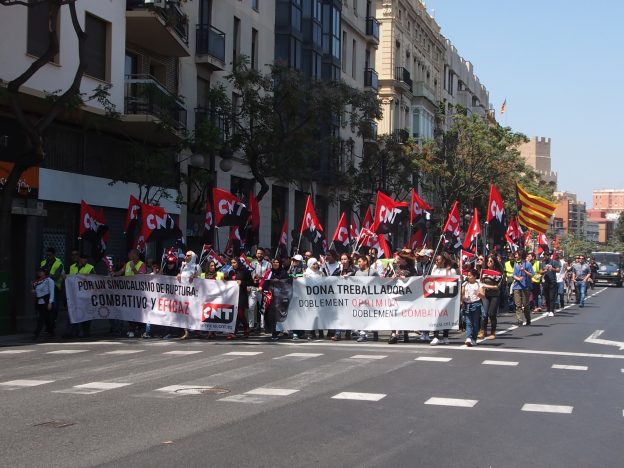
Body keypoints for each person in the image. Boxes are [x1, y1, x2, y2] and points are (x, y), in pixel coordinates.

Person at [113, 249, 147, 337]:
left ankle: (140, 329)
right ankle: (132, 328)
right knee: (129, 312)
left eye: (130, 253)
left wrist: (133, 268)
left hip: (139, 293)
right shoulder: (127, 263)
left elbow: (141, 276)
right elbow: (121, 272)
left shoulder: (141, 264)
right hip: (128, 293)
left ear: (136, 255)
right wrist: (114, 274)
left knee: (138, 312)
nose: (129, 255)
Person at [388, 250, 416, 344]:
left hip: (406, 295)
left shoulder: (411, 268)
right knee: (394, 313)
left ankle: (405, 334)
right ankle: (393, 334)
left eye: (399, 259)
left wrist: (406, 279)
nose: (397, 260)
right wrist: (392, 276)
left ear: (404, 260)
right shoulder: (395, 266)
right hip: (396, 294)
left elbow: (415, 279)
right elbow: (387, 278)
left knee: (404, 314)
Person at [66, 252, 95, 337]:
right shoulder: (72, 267)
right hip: (74, 294)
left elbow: (93, 279)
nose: (85, 260)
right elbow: (68, 277)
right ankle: (74, 331)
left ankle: (86, 331)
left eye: (86, 259)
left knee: (86, 313)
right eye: (83, 258)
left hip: (85, 295)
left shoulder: (90, 267)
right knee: (74, 312)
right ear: (80, 259)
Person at [430, 254, 457, 345]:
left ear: (444, 261)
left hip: (447, 298)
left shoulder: (451, 271)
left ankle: (445, 336)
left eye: (438, 260)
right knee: (436, 316)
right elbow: (431, 280)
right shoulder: (434, 269)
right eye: (436, 260)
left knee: (446, 316)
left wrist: (447, 272)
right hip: (436, 297)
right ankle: (436, 336)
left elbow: (453, 282)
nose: (436, 262)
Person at [263, 258, 290, 341]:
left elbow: (288, 283)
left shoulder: (283, 273)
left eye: (277, 262)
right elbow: (265, 282)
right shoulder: (269, 272)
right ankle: (274, 332)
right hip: (271, 297)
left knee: (281, 314)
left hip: (281, 297)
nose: (275, 263)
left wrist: (279, 281)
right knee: (272, 315)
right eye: (273, 262)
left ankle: (282, 330)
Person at [331, 254, 356, 341]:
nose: (343, 261)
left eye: (345, 259)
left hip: (350, 296)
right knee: (339, 314)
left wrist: (350, 277)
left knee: (348, 314)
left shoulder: (354, 270)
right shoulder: (338, 270)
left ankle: (348, 332)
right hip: (340, 296)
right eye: (342, 259)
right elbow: (331, 278)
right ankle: (338, 333)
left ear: (349, 260)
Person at [354, 255, 379, 342]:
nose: (358, 263)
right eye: (358, 262)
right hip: (361, 297)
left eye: (360, 261)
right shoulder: (357, 273)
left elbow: (379, 282)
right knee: (361, 315)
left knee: (372, 315)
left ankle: (376, 332)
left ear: (365, 261)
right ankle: (363, 334)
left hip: (371, 297)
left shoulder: (373, 272)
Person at [479, 255, 504, 339]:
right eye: (488, 261)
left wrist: (486, 286)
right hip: (485, 295)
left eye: (491, 261)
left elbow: (497, 287)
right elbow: (480, 283)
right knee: (484, 314)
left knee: (491, 313)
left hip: (494, 295)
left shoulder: (498, 274)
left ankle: (493, 332)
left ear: (494, 263)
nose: (489, 263)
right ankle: (483, 331)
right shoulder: (483, 272)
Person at [226, 257, 252, 340]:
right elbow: (228, 283)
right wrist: (226, 278)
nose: (233, 264)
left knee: (240, 314)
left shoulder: (245, 271)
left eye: (234, 263)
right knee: (233, 314)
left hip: (241, 295)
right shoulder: (231, 272)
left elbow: (250, 282)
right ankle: (233, 332)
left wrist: (242, 282)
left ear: (238, 263)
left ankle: (246, 327)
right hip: (232, 296)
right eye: (232, 263)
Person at [177, 251, 201, 339]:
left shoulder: (196, 266)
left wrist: (194, 277)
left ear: (193, 257)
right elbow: (181, 275)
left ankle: (197, 330)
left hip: (193, 294)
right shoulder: (183, 266)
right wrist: (179, 275)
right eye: (186, 255)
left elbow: (201, 278)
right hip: (184, 294)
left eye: (188, 256)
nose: (186, 257)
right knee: (184, 312)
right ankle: (186, 332)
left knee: (193, 311)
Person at [40, 247, 63, 332]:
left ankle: (52, 323)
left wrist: (46, 276)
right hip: (44, 288)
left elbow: (56, 276)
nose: (47, 257)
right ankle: (48, 325)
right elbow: (40, 273)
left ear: (53, 255)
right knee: (44, 307)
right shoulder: (43, 262)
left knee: (54, 307)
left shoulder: (58, 263)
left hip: (55, 287)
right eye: (47, 255)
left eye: (49, 255)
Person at [250, 248, 271, 333]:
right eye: (258, 253)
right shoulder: (252, 263)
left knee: (262, 308)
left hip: (263, 288)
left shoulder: (268, 264)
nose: (259, 255)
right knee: (251, 307)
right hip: (253, 288)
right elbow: (249, 275)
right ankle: (250, 326)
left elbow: (268, 276)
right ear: (256, 254)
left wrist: (261, 278)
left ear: (264, 254)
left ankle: (262, 326)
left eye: (261, 254)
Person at [32, 267, 55, 340]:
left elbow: (52, 292)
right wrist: (34, 292)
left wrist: (50, 302)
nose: (39, 273)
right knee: (46, 319)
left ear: (45, 272)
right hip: (39, 301)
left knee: (41, 318)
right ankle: (51, 332)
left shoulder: (49, 280)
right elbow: (37, 293)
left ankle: (36, 333)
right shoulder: (36, 282)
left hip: (46, 300)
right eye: (38, 271)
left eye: (41, 271)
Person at [512, 250, 534, 326]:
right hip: (517, 287)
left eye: (517, 254)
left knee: (525, 304)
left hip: (526, 286)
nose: (516, 256)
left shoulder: (528, 264)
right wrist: (517, 279)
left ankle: (528, 319)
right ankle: (519, 320)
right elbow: (514, 274)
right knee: (518, 304)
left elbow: (531, 275)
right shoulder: (516, 264)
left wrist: (524, 270)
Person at [461, 269, 483, 347]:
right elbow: (462, 294)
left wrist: (479, 294)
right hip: (467, 304)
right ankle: (469, 338)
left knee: (475, 323)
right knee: (468, 322)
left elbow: (483, 295)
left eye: (470, 275)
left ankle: (474, 338)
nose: (468, 277)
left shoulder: (478, 284)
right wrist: (462, 301)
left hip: (476, 304)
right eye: (468, 275)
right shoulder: (465, 284)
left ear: (474, 276)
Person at [540, 251, 560, 316]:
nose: (545, 257)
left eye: (547, 255)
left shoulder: (554, 262)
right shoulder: (543, 263)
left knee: (552, 297)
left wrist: (552, 269)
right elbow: (540, 272)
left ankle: (552, 310)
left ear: (549, 256)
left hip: (552, 281)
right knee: (546, 296)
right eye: (544, 255)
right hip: (545, 282)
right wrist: (544, 271)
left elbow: (558, 270)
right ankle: (548, 310)